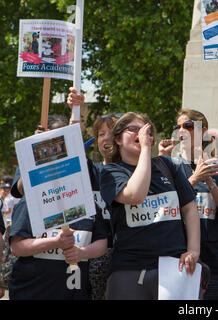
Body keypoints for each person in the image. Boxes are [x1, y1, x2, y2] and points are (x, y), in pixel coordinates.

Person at [100, 112, 201, 300]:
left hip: (173, 269)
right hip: (129, 270)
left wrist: (193, 250)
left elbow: (189, 208)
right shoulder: (111, 172)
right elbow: (135, 195)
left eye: (146, 131)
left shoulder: (167, 166)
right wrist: (146, 150)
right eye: (133, 130)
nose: (141, 134)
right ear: (118, 139)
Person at [8, 114, 109, 300]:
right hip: (32, 292)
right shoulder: (33, 199)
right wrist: (56, 242)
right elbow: (17, 247)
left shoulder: (84, 200)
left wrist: (82, 252)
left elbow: (102, 242)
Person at [159, 108, 218, 300]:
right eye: (177, 127)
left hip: (213, 257)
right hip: (178, 257)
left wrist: (210, 182)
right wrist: (195, 179)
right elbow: (166, 208)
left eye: (187, 126)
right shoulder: (171, 167)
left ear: (203, 131)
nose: (181, 131)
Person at [66, 87, 122, 300]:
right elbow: (73, 150)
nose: (105, 138)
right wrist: (76, 111)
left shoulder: (136, 175)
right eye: (101, 134)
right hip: (91, 256)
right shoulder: (91, 170)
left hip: (125, 257)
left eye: (113, 133)